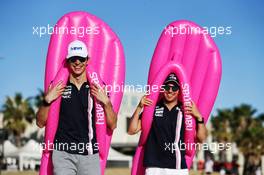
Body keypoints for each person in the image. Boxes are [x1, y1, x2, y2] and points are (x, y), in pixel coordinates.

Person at [36, 40, 117, 175]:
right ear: (68, 61)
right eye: (73, 59)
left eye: (81, 58)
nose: (77, 62)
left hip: (90, 153)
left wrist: (107, 103)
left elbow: (113, 125)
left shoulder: (97, 87)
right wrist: (47, 101)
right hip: (63, 153)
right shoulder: (57, 87)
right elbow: (39, 123)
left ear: (87, 60)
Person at [128, 73, 208, 175]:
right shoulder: (152, 108)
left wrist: (199, 117)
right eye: (167, 87)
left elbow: (201, 139)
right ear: (162, 89)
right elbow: (131, 130)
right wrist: (139, 107)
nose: (170, 90)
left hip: (177, 167)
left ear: (179, 90)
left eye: (174, 87)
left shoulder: (186, 110)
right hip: (154, 167)